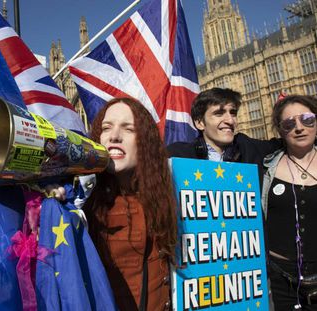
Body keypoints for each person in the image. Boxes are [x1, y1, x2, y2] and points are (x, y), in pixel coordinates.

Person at [83, 97, 177, 311]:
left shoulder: (164, 193)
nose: (114, 136)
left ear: (145, 141)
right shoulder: (82, 203)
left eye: (129, 129)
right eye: (106, 128)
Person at [262, 95, 317, 310]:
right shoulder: (266, 166)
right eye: (289, 123)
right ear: (280, 131)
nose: (299, 128)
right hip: (281, 281)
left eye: (307, 119)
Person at [167, 88, 281, 180]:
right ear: (200, 123)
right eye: (219, 113)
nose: (230, 121)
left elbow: (291, 141)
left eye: (233, 113)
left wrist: (284, 110)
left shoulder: (249, 148)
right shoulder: (178, 155)